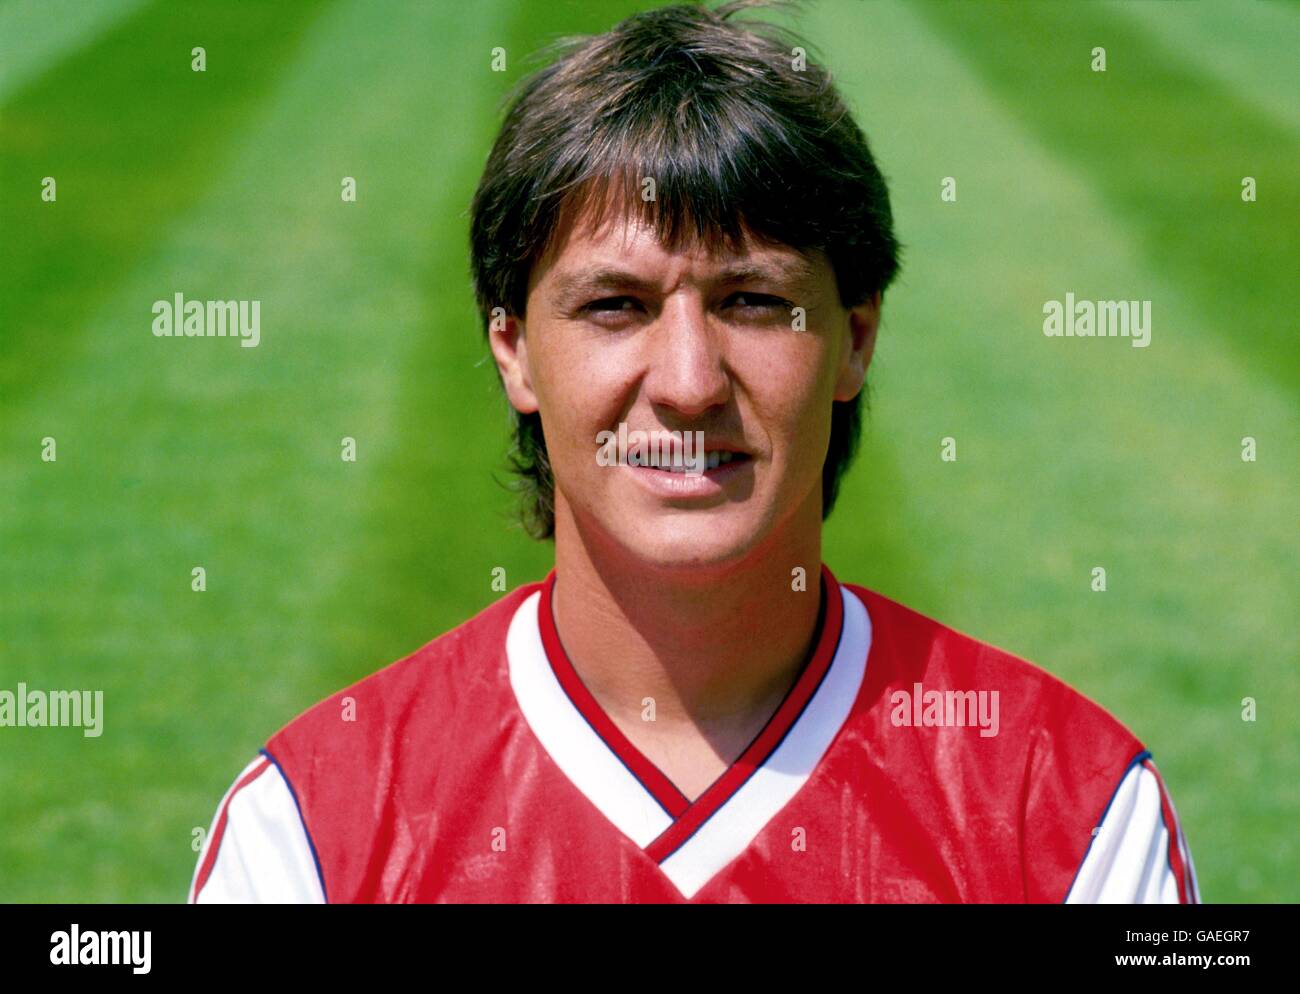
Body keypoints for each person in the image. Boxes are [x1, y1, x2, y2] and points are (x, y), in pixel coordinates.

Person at [190, 0, 1198, 903]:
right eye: (614, 306)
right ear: (514, 351)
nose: (686, 380)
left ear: (855, 337)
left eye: (751, 301)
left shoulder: (1065, 812)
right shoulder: (314, 833)